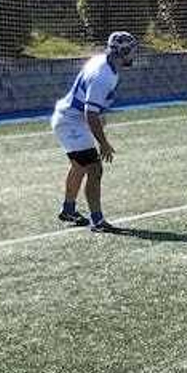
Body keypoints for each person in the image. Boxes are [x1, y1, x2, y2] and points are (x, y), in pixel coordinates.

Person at [50, 31, 140, 232]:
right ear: (123, 52)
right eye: (132, 50)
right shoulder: (104, 76)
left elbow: (94, 108)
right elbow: (90, 113)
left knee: (79, 165)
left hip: (72, 118)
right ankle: (97, 221)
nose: (134, 54)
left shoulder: (102, 63)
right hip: (72, 121)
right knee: (94, 168)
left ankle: (68, 209)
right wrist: (103, 143)